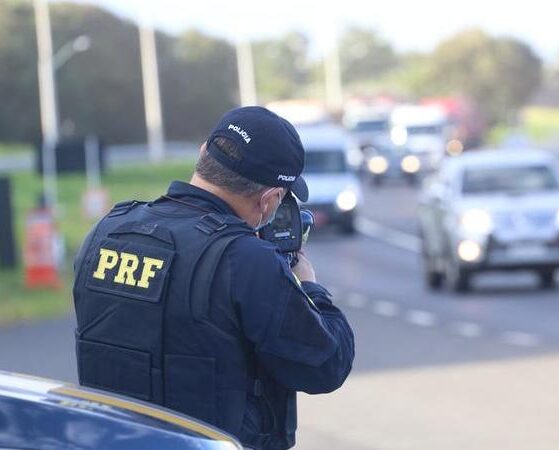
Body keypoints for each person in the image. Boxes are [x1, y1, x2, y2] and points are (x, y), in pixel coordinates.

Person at [72, 106, 355, 450]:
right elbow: (326, 364)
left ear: (204, 154)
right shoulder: (245, 261)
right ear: (269, 200)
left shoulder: (107, 230)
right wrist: (309, 287)